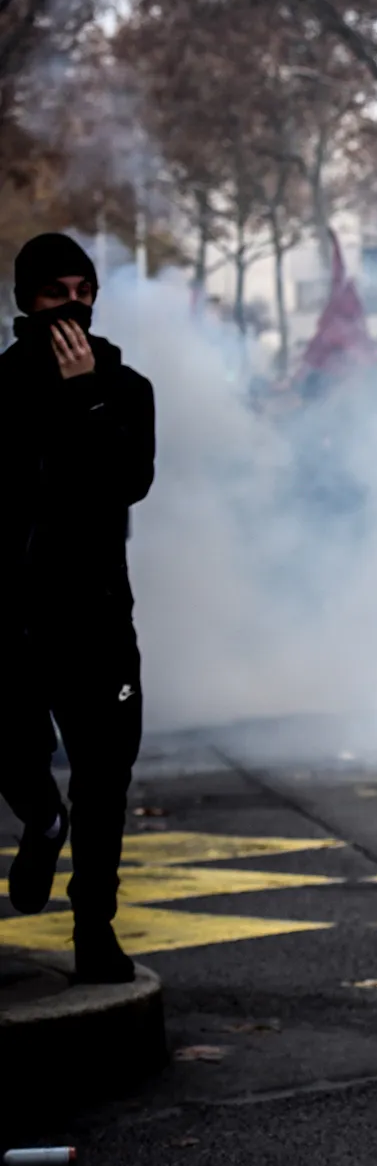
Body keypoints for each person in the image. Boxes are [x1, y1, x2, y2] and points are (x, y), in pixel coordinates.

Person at [0, 233, 156, 983]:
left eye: (84, 289)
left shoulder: (126, 389)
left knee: (105, 773)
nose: (74, 304)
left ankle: (94, 927)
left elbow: (127, 481)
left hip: (94, 614)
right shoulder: (1, 388)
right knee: (12, 748)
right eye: (55, 292)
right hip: (11, 614)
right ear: (25, 301)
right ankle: (40, 817)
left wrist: (87, 395)